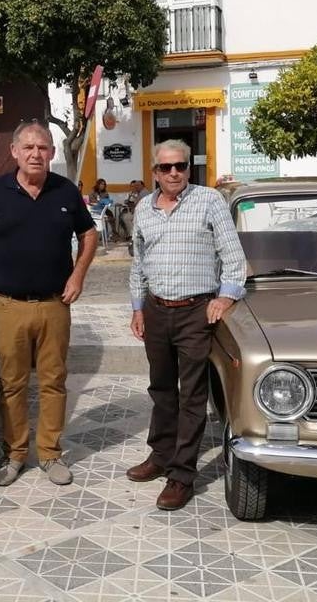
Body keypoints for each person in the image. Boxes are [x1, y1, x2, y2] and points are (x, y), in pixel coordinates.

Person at [0, 120, 98, 487]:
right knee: (12, 382)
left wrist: (77, 276)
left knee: (54, 381)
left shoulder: (65, 192)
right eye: (29, 148)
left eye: (44, 147)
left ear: (52, 153)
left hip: (54, 305)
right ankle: (15, 454)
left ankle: (50, 453)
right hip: (9, 306)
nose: (37, 154)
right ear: (15, 152)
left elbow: (89, 234)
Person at [126, 139, 246, 511]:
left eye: (180, 166)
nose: (173, 172)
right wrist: (137, 307)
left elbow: (233, 257)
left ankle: (181, 475)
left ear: (188, 168)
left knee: (192, 393)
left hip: (196, 310)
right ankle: (160, 454)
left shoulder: (209, 201)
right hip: (157, 310)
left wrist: (224, 298)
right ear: (154, 172)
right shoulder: (144, 208)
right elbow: (138, 262)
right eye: (165, 168)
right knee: (161, 388)